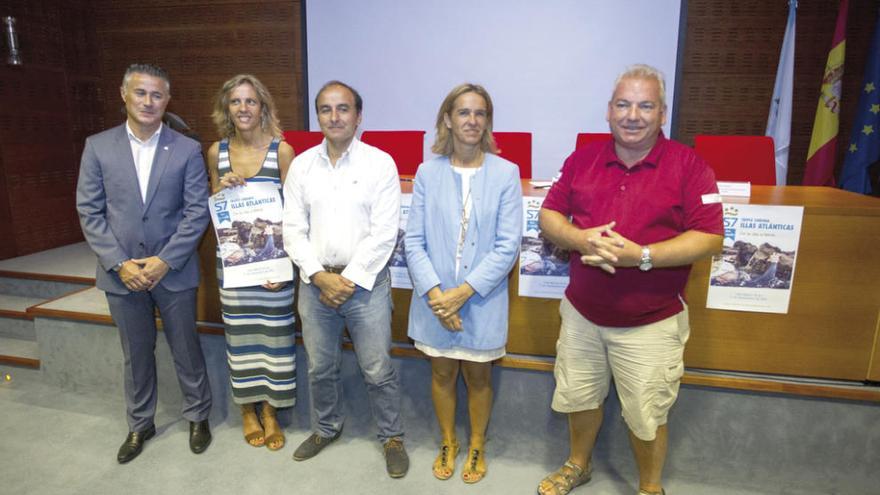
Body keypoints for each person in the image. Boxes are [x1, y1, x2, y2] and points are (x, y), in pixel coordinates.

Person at [536, 64, 723, 495]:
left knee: (646, 413)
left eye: (645, 105)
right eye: (623, 104)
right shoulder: (582, 159)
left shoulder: (689, 166)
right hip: (582, 314)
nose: (632, 115)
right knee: (579, 397)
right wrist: (580, 239)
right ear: (608, 111)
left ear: (662, 113)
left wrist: (640, 256)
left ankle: (649, 486)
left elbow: (711, 238)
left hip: (651, 322)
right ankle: (578, 465)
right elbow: (549, 215)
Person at [76, 63, 213, 464]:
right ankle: (140, 423)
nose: (149, 102)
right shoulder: (97, 146)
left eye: (157, 95)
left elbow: (196, 212)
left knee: (186, 348)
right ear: (124, 95)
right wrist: (120, 264)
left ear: (168, 100)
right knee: (135, 354)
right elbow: (90, 211)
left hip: (173, 272)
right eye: (141, 93)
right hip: (121, 275)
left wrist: (164, 261)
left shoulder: (186, 149)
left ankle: (198, 415)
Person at [282, 81, 408, 478]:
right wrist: (320, 277)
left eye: (343, 109)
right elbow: (292, 230)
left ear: (358, 116)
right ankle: (325, 428)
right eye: (325, 109)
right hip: (315, 285)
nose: (334, 117)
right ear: (317, 116)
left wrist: (347, 280)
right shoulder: (302, 165)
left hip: (366, 286)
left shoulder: (380, 164)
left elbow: (385, 232)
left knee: (377, 368)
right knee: (320, 366)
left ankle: (391, 436)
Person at [404, 83, 522, 483]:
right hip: (434, 299)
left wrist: (462, 294)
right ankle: (447, 441)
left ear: (487, 121)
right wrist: (439, 297)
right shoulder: (426, 171)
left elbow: (508, 246)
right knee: (440, 374)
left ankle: (475, 444)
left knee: (478, 376)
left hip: (480, 300)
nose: (472, 120)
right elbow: (414, 240)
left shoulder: (506, 173)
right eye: (463, 112)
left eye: (480, 113)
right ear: (447, 120)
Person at [206, 74, 296, 451]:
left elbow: (294, 212)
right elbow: (214, 206)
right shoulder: (216, 152)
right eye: (236, 102)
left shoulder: (283, 151)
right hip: (235, 264)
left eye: (250, 101)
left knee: (276, 339)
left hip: (274, 264)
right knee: (239, 338)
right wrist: (221, 188)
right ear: (226, 108)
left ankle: (271, 411)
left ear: (263, 107)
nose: (243, 109)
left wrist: (284, 264)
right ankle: (247, 409)